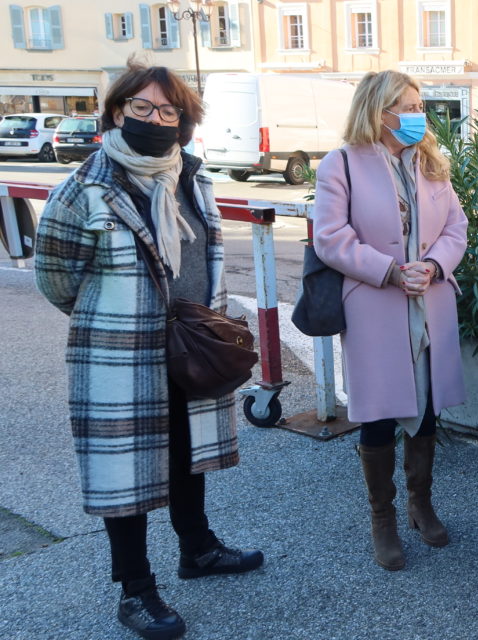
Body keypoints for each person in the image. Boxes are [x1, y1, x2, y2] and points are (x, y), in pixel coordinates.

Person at [34, 59, 262, 640]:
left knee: (188, 452)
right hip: (119, 351)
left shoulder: (192, 177)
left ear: (183, 120)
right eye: (143, 108)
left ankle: (198, 549)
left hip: (192, 341)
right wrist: (111, 319)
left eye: (169, 111)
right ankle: (135, 590)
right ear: (117, 112)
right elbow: (56, 276)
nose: (156, 119)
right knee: (125, 472)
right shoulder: (85, 187)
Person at [312, 70, 468, 572]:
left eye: (419, 104)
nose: (417, 114)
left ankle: (421, 503)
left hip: (431, 299)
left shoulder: (430, 162)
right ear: (378, 112)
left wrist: (434, 264)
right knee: (378, 413)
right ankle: (383, 518)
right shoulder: (341, 164)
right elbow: (330, 237)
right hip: (376, 303)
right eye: (406, 105)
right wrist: (389, 272)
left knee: (426, 407)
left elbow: (457, 227)